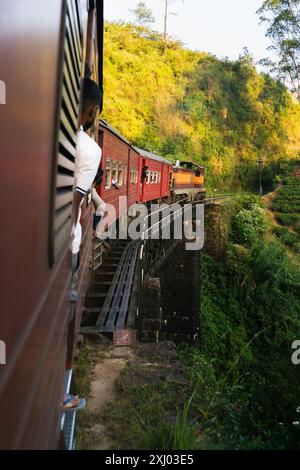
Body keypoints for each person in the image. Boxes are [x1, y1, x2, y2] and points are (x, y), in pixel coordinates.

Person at [64, 77, 103, 411]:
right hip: (64, 245)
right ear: (93, 109)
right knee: (64, 306)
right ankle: (60, 391)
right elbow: (75, 205)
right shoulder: (90, 149)